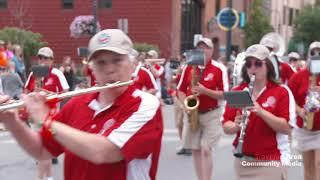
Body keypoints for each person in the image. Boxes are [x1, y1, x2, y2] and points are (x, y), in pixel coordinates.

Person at [0, 29, 163, 180]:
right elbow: (42, 151)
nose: (110, 69)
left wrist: (47, 121)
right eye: (101, 63)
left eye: (117, 60)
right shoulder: (78, 103)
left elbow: (102, 152)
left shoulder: (146, 104)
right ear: (93, 69)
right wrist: (12, 122)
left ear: (133, 64)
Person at [222, 44, 296, 180]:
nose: (253, 68)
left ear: (268, 66)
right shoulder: (237, 91)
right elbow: (226, 126)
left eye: (258, 64)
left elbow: (286, 128)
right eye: (249, 64)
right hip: (243, 160)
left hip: (272, 159)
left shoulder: (281, 91)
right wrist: (236, 126)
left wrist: (261, 112)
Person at [177, 37, 229, 180]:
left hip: (212, 113)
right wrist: (185, 106)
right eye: (199, 48)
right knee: (195, 149)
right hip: (192, 112)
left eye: (205, 47)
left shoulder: (219, 69)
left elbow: (226, 95)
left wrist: (205, 91)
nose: (202, 51)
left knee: (206, 149)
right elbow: (180, 90)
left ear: (212, 51)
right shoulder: (189, 66)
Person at [24, 46, 69, 180]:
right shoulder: (34, 73)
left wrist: (51, 95)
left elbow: (65, 92)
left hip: (51, 115)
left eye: (45, 58)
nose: (42, 60)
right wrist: (33, 94)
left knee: (43, 149)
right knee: (43, 149)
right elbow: (26, 90)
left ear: (52, 60)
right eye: (40, 57)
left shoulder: (56, 73)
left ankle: (40, 178)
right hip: (35, 115)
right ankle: (49, 177)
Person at [288, 41, 320, 180]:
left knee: (318, 163)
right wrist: (299, 110)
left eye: (319, 52)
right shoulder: (298, 76)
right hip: (305, 127)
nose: (317, 55)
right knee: (309, 167)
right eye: (314, 52)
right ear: (308, 54)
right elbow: (289, 99)